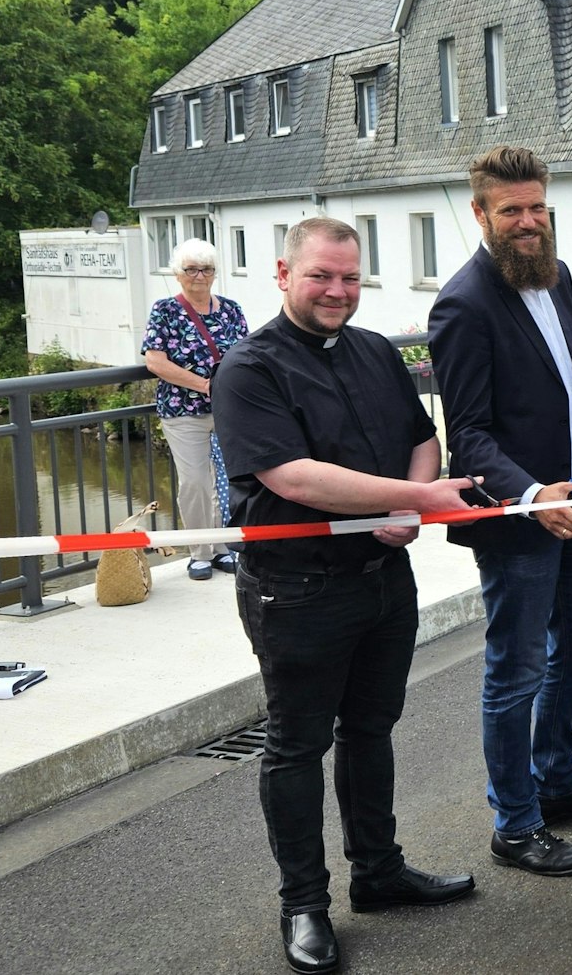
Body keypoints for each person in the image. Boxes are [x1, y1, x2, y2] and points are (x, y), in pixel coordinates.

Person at [215, 218, 476, 975]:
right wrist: (416, 499)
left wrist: (410, 502)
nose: (338, 291)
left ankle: (378, 871)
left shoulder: (374, 350)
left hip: (383, 580)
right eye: (321, 276)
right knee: (297, 746)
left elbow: (420, 437)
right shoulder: (248, 368)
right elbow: (293, 478)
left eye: (350, 278)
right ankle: (304, 904)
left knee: (371, 729)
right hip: (298, 589)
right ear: (283, 274)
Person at [428, 146, 572, 878]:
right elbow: (469, 434)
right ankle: (514, 824)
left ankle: (553, 781)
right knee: (516, 670)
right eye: (511, 209)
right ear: (480, 214)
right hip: (519, 518)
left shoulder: (557, 276)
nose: (528, 221)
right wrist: (531, 495)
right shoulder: (462, 304)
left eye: (537, 206)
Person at [141, 238, 248, 580]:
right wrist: (203, 385)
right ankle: (200, 552)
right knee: (196, 483)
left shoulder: (231, 310)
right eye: (191, 269)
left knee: (230, 480)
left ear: (214, 274)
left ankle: (223, 547)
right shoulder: (165, 310)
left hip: (228, 410)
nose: (199, 276)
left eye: (206, 269)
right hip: (183, 411)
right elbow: (156, 362)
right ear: (178, 274)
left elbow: (246, 355)